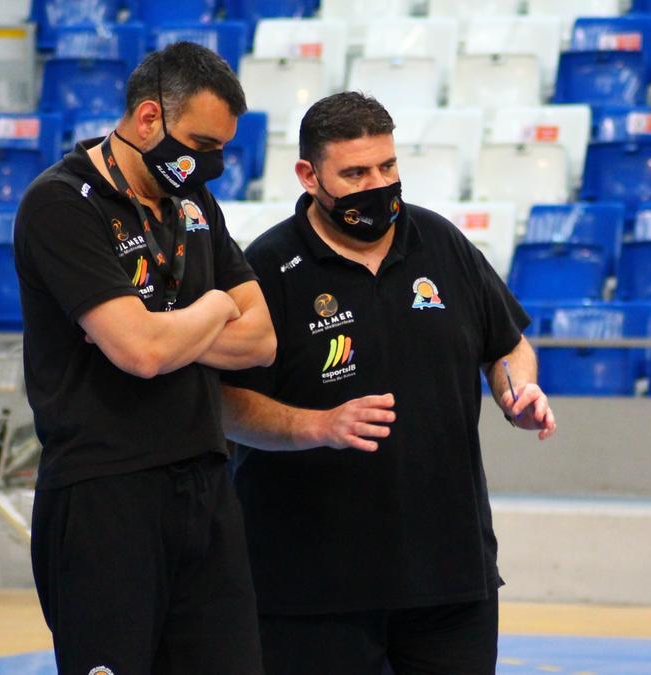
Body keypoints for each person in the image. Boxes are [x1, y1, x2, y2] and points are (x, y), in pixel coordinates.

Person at [219, 92, 557, 675]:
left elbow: (504, 345)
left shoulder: (442, 243)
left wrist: (515, 392)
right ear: (308, 175)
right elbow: (224, 402)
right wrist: (315, 426)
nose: (378, 184)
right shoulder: (267, 268)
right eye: (354, 173)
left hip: (449, 575)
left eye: (387, 167)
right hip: (309, 586)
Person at [13, 42, 274, 674]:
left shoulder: (190, 202)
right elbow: (142, 355)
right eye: (201, 144)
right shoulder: (60, 204)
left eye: (219, 150)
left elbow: (262, 340)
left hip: (206, 482)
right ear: (149, 118)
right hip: (106, 491)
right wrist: (213, 306)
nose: (210, 163)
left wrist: (160, 330)